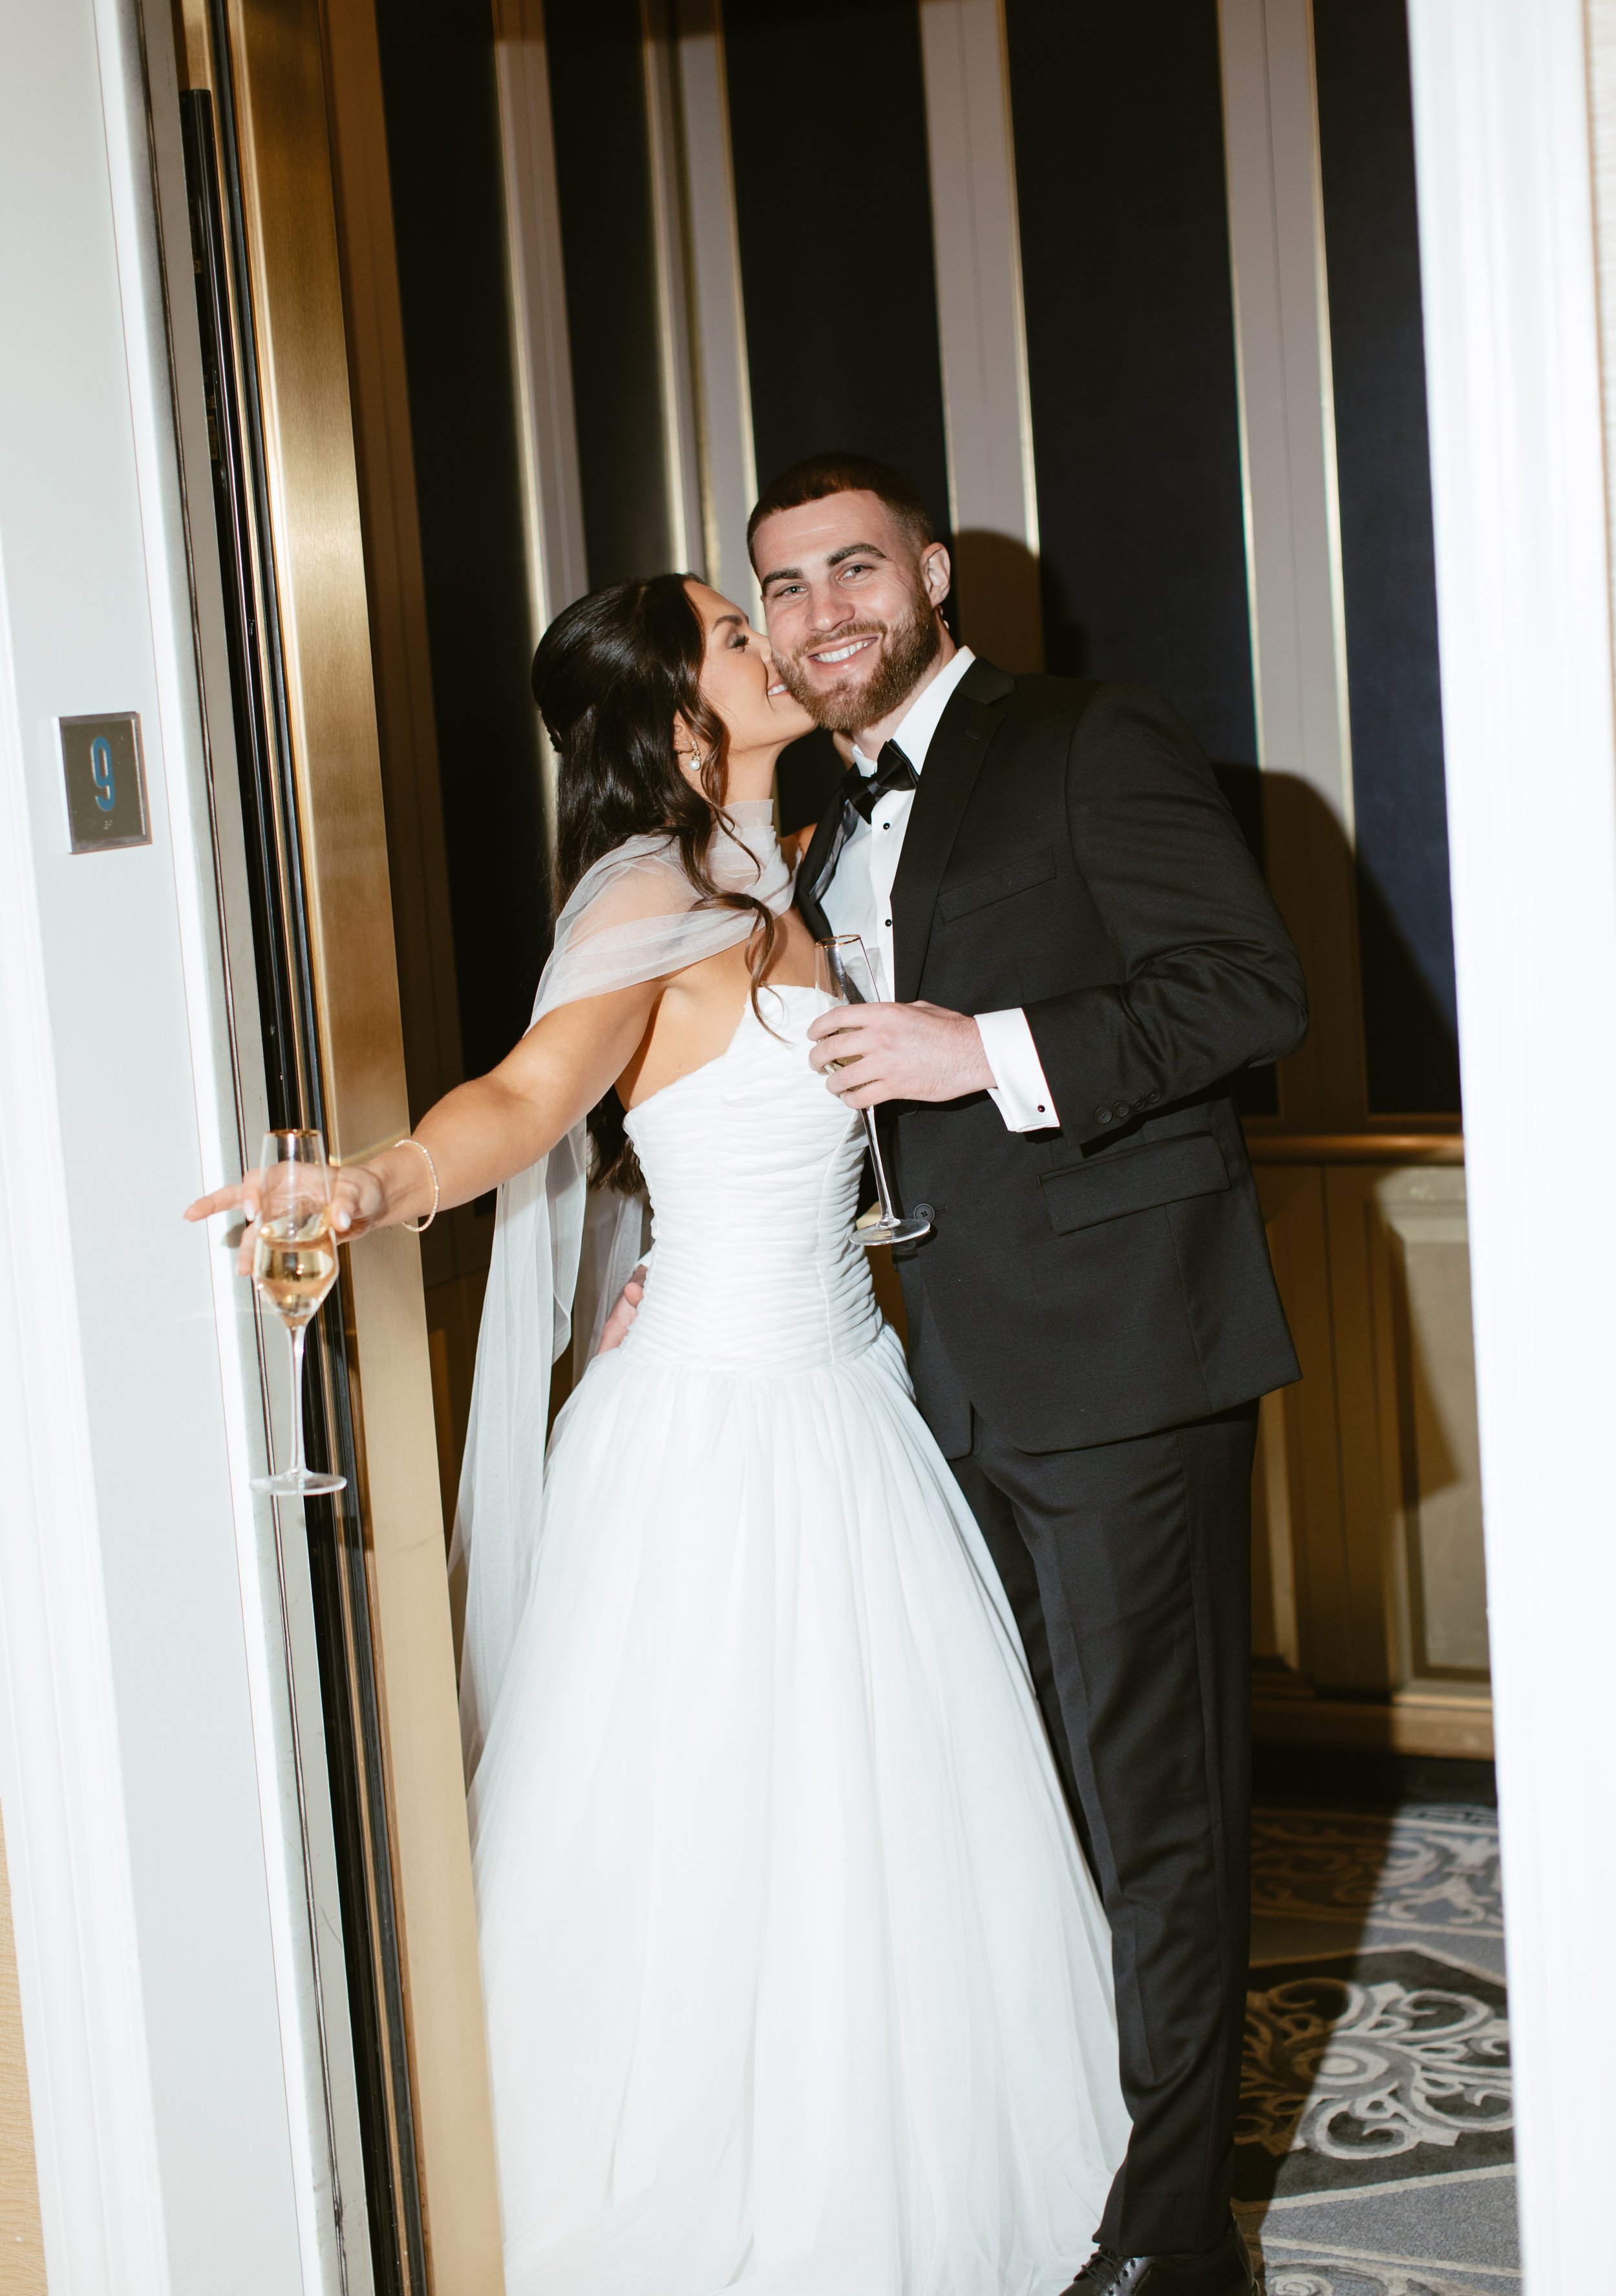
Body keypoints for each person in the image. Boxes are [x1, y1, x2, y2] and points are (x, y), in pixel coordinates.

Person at [187, 572, 1131, 2296]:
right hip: (719, 1435)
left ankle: (880, 2174)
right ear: (675, 716)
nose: (768, 633)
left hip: (845, 1398)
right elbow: (534, 1095)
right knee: (715, 1831)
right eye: (726, 626)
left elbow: (745, 1123)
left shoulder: (788, 874)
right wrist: (378, 1180)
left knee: (876, 1835)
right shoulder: (654, 885)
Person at [750, 451, 1307, 2296]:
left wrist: (978, 1046)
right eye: (782, 589)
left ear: (930, 572)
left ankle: (1170, 2241)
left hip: (1123, 1361)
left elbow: (1244, 992)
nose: (820, 613)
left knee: (1155, 1811)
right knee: (1027, 1801)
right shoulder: (819, 829)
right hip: (932, 1386)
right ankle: (1077, 2149)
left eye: (851, 570)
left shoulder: (1087, 736)